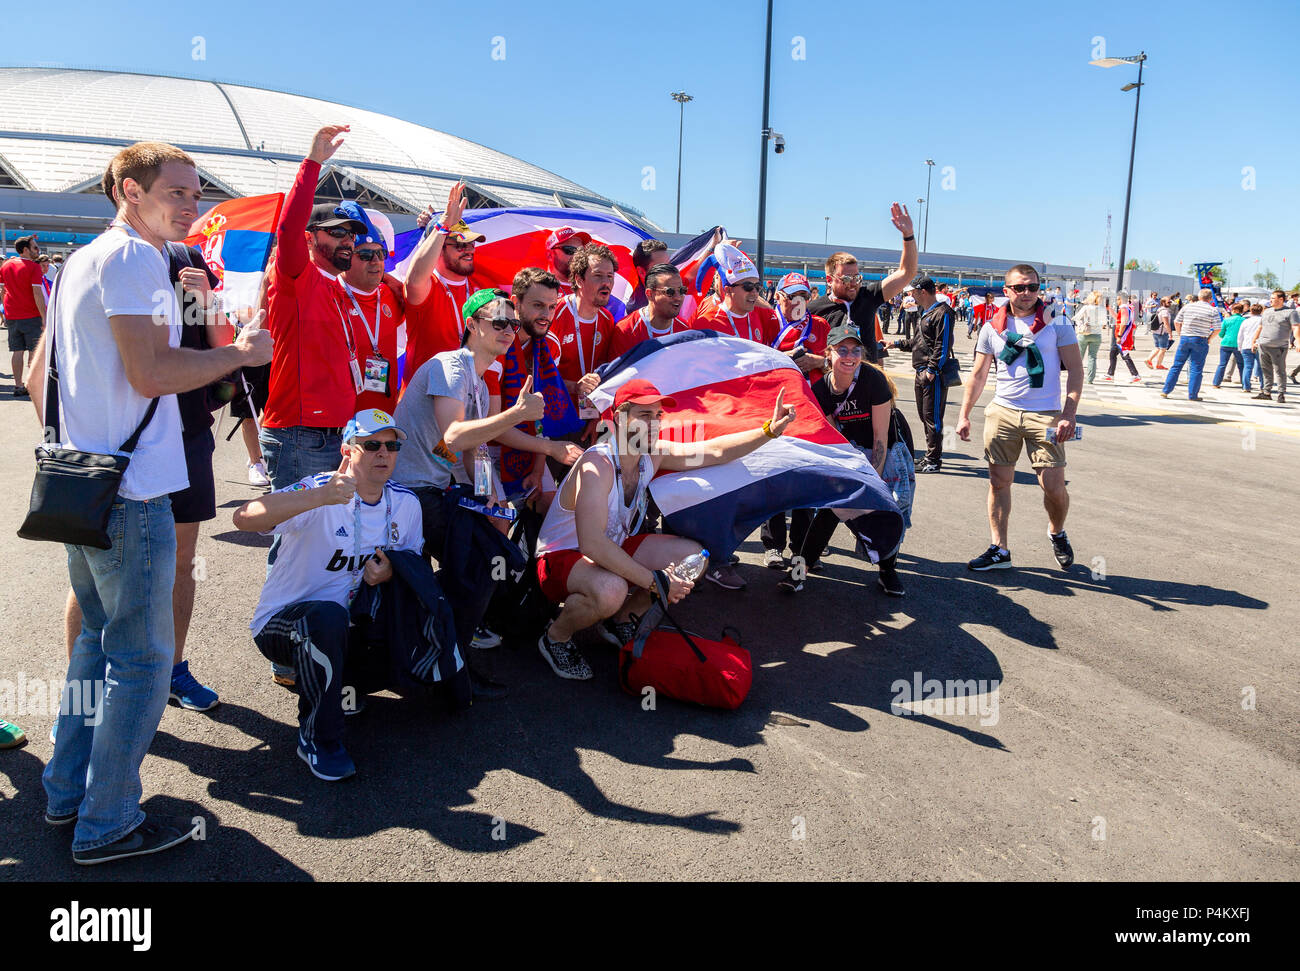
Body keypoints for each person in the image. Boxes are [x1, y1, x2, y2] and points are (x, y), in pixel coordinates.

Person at [34, 141, 271, 864]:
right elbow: (151, 370)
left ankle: (67, 791)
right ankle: (106, 823)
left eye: (196, 191)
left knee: (94, 649)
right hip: (131, 489)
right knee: (141, 660)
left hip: (88, 477)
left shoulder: (84, 258)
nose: (192, 204)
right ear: (130, 191)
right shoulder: (134, 259)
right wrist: (238, 355)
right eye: (177, 191)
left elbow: (47, 371)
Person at [533, 379, 797, 680]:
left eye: (658, 416)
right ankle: (556, 636)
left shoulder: (650, 455)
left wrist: (768, 431)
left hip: (609, 551)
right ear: (619, 417)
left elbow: (713, 451)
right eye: (644, 416)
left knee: (693, 559)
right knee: (610, 590)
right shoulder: (598, 464)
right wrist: (655, 581)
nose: (655, 423)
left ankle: (620, 620)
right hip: (560, 558)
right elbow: (591, 544)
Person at [235, 410, 423, 781]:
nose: (383, 453)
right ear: (347, 450)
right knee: (325, 617)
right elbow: (244, 517)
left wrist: (390, 572)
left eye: (391, 445)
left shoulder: (406, 503)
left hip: (353, 624)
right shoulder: (318, 488)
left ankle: (346, 684)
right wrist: (320, 497)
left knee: (401, 606)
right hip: (286, 625)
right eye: (371, 445)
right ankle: (318, 738)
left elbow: (413, 569)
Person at [392, 288, 553, 699]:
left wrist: (491, 496)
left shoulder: (479, 381)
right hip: (408, 493)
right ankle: (448, 664)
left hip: (435, 491)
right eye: (497, 321)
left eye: (512, 324)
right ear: (471, 324)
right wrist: (517, 413)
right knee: (480, 565)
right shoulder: (453, 365)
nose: (507, 330)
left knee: (483, 561)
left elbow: (476, 450)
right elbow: (455, 435)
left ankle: (442, 654)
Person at [259, 125, 369, 491]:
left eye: (351, 234)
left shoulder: (336, 286)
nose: (348, 241)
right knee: (296, 540)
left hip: (334, 433)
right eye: (336, 232)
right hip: (300, 436)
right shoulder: (295, 273)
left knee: (321, 541)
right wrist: (313, 163)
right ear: (310, 237)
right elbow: (288, 228)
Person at [956, 264, 1083, 572]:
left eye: (1032, 287)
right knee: (999, 483)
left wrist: (1069, 414)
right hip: (1003, 412)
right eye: (1020, 288)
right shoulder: (993, 327)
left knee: (1052, 485)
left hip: (1047, 415)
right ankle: (1000, 549)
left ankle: (1057, 531)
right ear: (1007, 290)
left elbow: (1076, 372)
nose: (1027, 293)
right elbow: (978, 374)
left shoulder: (1058, 323)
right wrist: (964, 415)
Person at [780, 324, 913, 596]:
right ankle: (798, 573)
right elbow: (833, 437)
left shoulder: (873, 380)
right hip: (851, 449)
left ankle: (888, 572)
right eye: (842, 350)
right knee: (830, 509)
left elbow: (880, 438)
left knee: (886, 511)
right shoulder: (821, 391)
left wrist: (871, 481)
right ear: (829, 353)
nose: (850, 356)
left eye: (855, 350)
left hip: (886, 450)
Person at [761, 272, 830, 568]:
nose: (797, 303)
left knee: (807, 480)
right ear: (779, 297)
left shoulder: (820, 325)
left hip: (810, 408)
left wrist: (817, 361)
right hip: (772, 407)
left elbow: (838, 360)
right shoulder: (767, 321)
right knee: (774, 477)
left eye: (803, 296)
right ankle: (773, 545)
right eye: (791, 297)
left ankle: (802, 546)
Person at [402, 181, 488, 387]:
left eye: (471, 243)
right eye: (459, 245)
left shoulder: (480, 289)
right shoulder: (427, 285)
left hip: (468, 396)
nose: (469, 250)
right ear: (439, 247)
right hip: (424, 401)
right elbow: (413, 279)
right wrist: (442, 225)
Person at [808, 204, 917, 365]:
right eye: (846, 279)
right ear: (829, 280)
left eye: (857, 278)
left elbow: (906, 272)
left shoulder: (868, 297)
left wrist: (908, 235)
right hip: (831, 384)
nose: (853, 284)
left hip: (865, 384)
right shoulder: (814, 310)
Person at [334, 213, 403, 415]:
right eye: (365, 255)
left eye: (380, 254)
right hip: (341, 421)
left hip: (385, 416)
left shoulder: (393, 293)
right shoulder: (329, 294)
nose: (375, 261)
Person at [891, 276, 955, 472]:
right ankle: (930, 456)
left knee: (933, 418)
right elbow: (919, 342)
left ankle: (934, 460)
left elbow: (943, 345)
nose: (910, 295)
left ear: (923, 292)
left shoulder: (943, 312)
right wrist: (896, 343)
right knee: (924, 415)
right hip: (921, 371)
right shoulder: (926, 312)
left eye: (913, 292)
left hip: (931, 374)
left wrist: (932, 370)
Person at [548, 242, 619, 417]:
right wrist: (575, 387)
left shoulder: (607, 319)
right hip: (554, 415)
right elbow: (537, 373)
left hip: (590, 415)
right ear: (579, 280)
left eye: (610, 276)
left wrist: (596, 417)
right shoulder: (554, 313)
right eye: (598, 275)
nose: (606, 282)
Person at [690, 242, 779, 346]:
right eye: (748, 287)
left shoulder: (756, 317)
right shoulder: (707, 322)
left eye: (757, 286)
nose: (754, 292)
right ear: (728, 290)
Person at [609, 262, 694, 361]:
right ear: (649, 294)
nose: (678, 298)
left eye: (681, 291)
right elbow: (617, 374)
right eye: (670, 292)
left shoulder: (685, 329)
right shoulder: (626, 330)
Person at [2, 235, 47, 396]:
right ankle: (33, 384)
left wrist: (7, 308)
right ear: (26, 250)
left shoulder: (6, 265)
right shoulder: (33, 267)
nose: (38, 250)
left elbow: (3, 290)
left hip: (12, 315)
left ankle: (18, 385)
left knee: (17, 351)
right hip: (31, 315)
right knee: (34, 351)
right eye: (35, 247)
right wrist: (44, 316)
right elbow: (37, 293)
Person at [1160, 288, 1221, 402]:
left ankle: (1166, 390)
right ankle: (1192, 395)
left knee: (1177, 365)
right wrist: (1209, 338)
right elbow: (1218, 328)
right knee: (1196, 368)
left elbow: (1177, 322)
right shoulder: (1212, 310)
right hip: (1200, 340)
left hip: (1185, 338)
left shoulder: (1188, 307)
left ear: (1199, 297)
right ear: (1210, 298)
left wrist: (1180, 333)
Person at [1251, 289, 1300, 403]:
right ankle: (1266, 392)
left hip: (1279, 347)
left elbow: (1296, 327)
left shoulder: (1291, 312)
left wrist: (1298, 341)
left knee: (1279, 370)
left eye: (1273, 298)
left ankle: (1281, 393)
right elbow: (1260, 327)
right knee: (1265, 369)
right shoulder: (1267, 311)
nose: (1271, 300)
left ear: (1281, 299)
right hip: (1263, 345)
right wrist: (1254, 340)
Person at [1103, 292, 1141, 383]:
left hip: (1122, 336)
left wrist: (1119, 335)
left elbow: (1124, 322)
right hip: (1123, 335)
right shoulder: (1127, 308)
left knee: (1125, 355)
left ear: (1120, 299)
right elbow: (1118, 318)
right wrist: (1110, 309)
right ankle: (1110, 374)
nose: (1116, 301)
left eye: (1117, 299)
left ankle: (1135, 375)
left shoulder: (1124, 308)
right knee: (1113, 353)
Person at [1211, 302, 1245, 390]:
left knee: (1222, 364)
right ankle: (1245, 384)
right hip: (1239, 344)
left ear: (1234, 310)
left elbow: (1221, 333)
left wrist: (1225, 336)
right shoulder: (1244, 320)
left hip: (1226, 343)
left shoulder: (1226, 320)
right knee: (1241, 364)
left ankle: (1216, 383)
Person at [1073, 291, 1105, 384]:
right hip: (1097, 335)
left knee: (1079, 357)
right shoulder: (1102, 309)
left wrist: (1081, 324)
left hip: (1084, 334)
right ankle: (1090, 379)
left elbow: (1076, 318)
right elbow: (1104, 323)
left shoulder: (1086, 308)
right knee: (1092, 357)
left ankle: (1076, 377)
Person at [1238, 303, 1264, 394]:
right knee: (1261, 367)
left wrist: (1240, 347)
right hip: (1259, 345)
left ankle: (1246, 386)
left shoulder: (1245, 321)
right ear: (1261, 311)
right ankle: (1263, 386)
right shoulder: (1263, 320)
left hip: (1246, 345)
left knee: (1247, 366)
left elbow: (1240, 335)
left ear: (1251, 311)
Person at [1144, 297, 1172, 370]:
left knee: (1157, 348)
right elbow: (1166, 323)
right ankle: (1158, 365)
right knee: (1163, 349)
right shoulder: (1165, 312)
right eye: (1168, 302)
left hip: (1156, 331)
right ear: (1163, 303)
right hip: (1162, 333)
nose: (1170, 303)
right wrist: (1170, 333)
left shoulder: (1158, 310)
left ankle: (1149, 359)